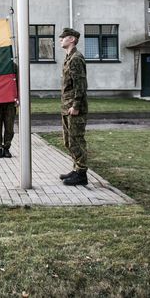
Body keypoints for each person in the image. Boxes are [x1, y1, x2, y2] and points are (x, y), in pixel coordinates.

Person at [58, 27, 89, 186]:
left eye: (63, 37)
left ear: (71, 39)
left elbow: (80, 85)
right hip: (67, 107)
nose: (60, 39)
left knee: (76, 140)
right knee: (68, 141)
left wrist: (76, 105)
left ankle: (81, 174)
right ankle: (76, 169)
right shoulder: (69, 58)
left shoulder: (76, 58)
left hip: (74, 108)